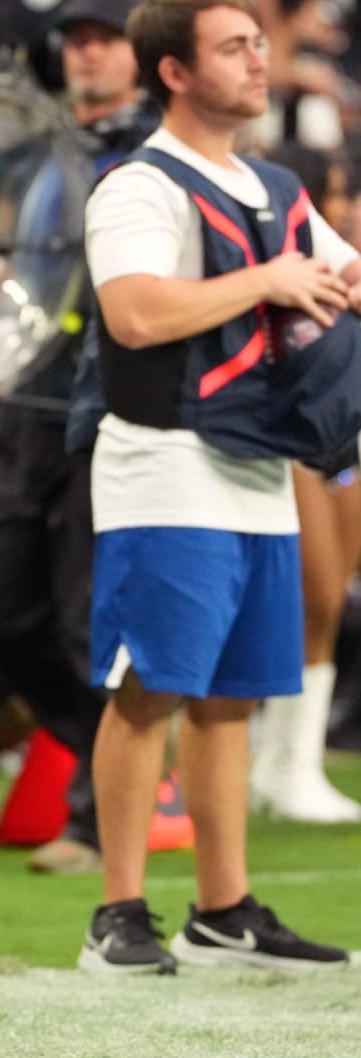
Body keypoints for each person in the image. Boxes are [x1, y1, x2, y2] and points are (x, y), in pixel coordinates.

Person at [77, 0, 356, 973]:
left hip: (256, 462)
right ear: (175, 73)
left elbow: (340, 273)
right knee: (153, 684)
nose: (258, 58)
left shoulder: (277, 185)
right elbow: (136, 314)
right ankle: (115, 913)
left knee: (232, 695)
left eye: (259, 42)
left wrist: (331, 283)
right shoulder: (137, 185)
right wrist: (269, 282)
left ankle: (222, 908)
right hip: (166, 463)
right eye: (234, 46)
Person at [0, 0, 164, 875]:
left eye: (106, 38)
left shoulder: (156, 152)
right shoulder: (45, 149)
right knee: (5, 612)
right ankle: (104, 756)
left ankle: (93, 818)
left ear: (142, 55)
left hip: (107, 401)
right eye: (77, 40)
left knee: (91, 615)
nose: (88, 53)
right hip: (25, 394)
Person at [248, 141, 361, 823]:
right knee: (313, 594)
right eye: (338, 192)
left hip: (339, 433)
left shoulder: (338, 260)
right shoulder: (273, 254)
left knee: (332, 595)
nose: (345, 206)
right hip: (283, 435)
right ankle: (276, 759)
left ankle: (296, 760)